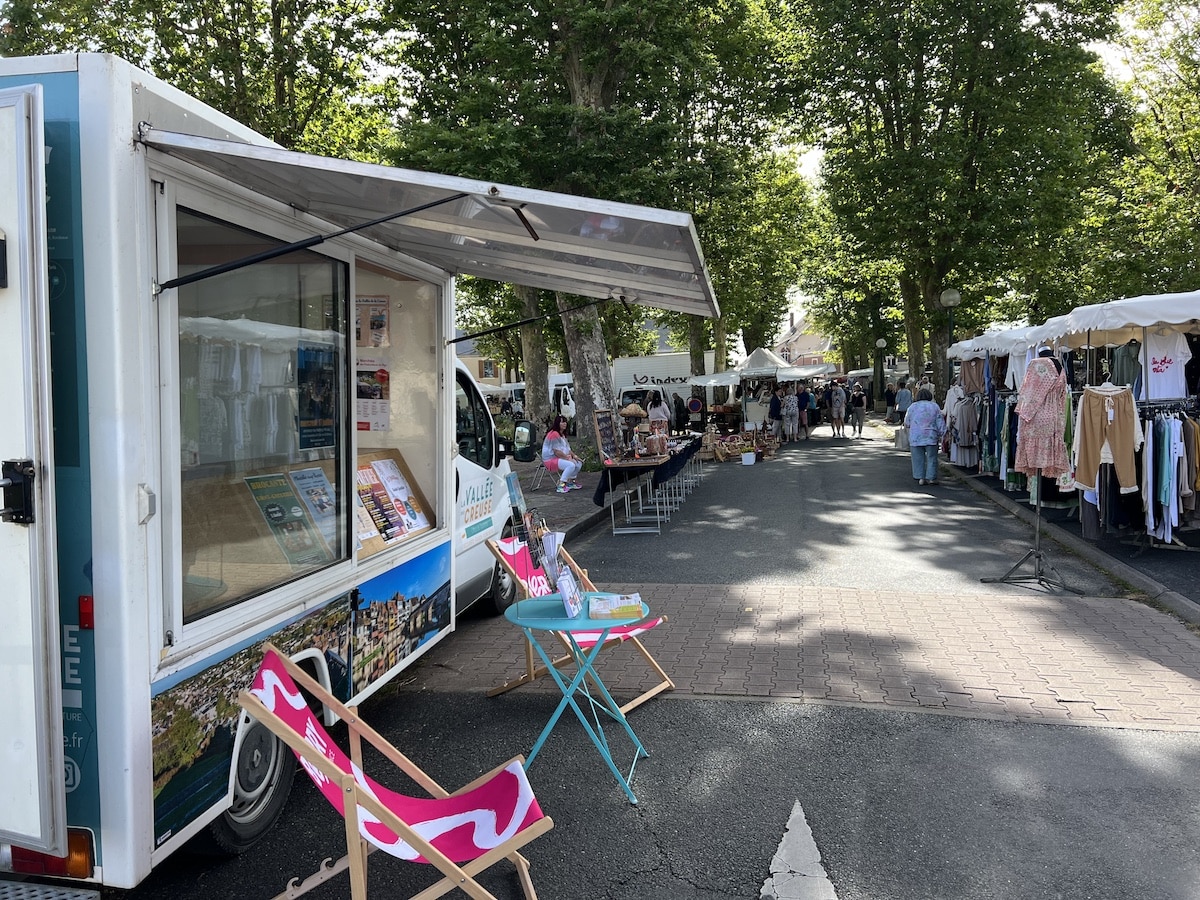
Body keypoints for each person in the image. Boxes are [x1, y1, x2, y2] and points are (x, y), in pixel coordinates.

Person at [904, 387, 946, 485]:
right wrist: (943, 432)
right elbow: (939, 421)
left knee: (917, 458)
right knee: (932, 457)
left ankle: (921, 478)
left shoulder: (912, 407)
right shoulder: (934, 406)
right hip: (931, 436)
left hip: (916, 436)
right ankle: (931, 478)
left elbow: (907, 422)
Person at [541, 414, 583, 493]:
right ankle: (561, 485)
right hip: (550, 460)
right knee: (571, 465)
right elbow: (556, 451)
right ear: (557, 424)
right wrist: (567, 458)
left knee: (578, 463)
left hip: (559, 457)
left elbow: (567, 449)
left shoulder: (562, 434)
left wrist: (574, 456)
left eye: (565, 422)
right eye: (562, 422)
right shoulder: (554, 434)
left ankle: (571, 482)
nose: (565, 424)